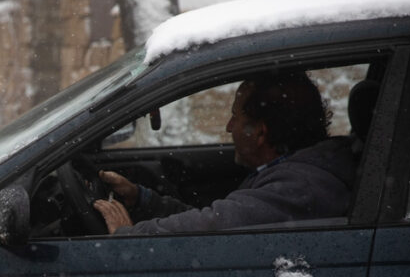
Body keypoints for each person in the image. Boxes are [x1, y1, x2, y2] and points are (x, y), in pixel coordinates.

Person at [92, 71, 356, 235]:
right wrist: (142, 201)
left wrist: (129, 237)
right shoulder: (294, 173)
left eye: (235, 117)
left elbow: (212, 225)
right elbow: (213, 218)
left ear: (260, 132)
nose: (229, 127)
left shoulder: (299, 186)